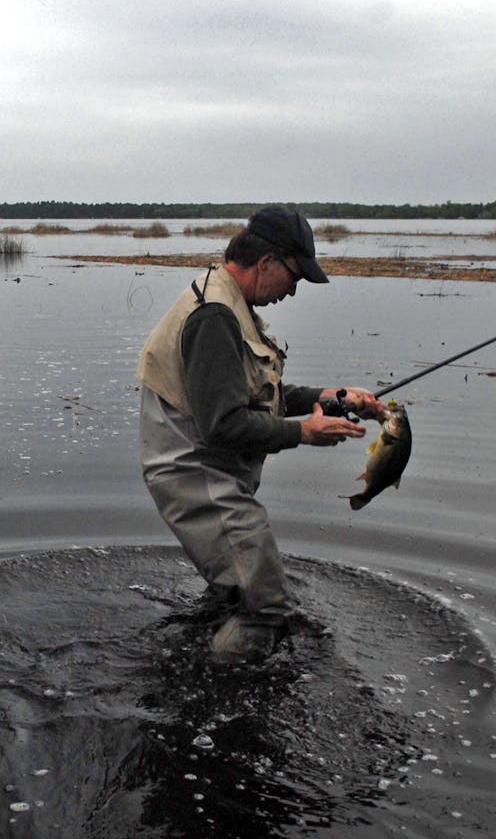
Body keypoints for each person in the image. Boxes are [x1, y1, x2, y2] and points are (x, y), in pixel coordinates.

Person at [137, 206, 386, 662]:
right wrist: (304, 434)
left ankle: (208, 656)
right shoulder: (216, 316)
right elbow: (224, 424)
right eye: (294, 277)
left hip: (209, 472)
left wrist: (331, 395)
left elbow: (248, 394)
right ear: (267, 261)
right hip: (196, 478)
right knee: (266, 606)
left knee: (241, 593)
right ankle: (223, 699)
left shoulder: (229, 302)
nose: (292, 291)